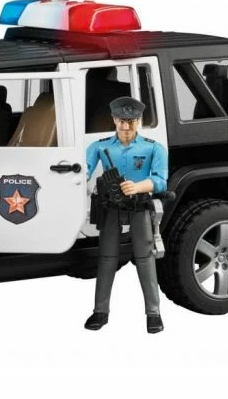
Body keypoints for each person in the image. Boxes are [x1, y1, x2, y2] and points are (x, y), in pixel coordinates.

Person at [84, 96, 168, 333]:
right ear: (114, 120)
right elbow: (82, 172)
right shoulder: (100, 147)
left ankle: (154, 313)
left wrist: (138, 187)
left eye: (131, 121)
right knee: (107, 258)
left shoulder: (153, 148)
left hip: (139, 206)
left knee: (145, 258)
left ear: (139, 121)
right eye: (121, 121)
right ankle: (100, 311)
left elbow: (161, 181)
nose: (126, 127)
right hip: (110, 208)